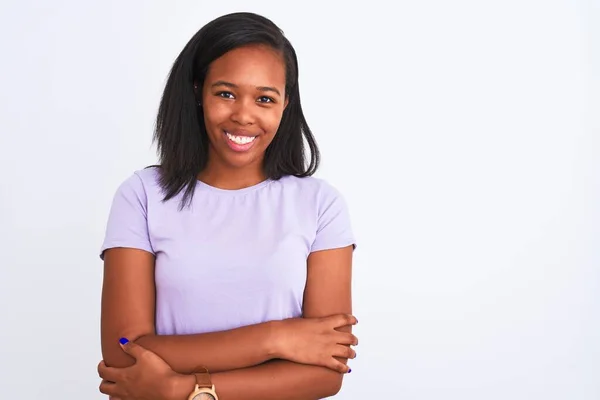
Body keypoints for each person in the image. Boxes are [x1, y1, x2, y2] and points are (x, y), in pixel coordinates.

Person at [97, 11, 358, 400]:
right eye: (225, 93)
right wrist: (276, 338)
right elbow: (123, 351)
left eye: (265, 98)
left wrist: (183, 390)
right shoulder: (142, 196)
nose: (243, 115)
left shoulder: (320, 205)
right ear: (198, 92)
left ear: (285, 104)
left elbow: (326, 372)